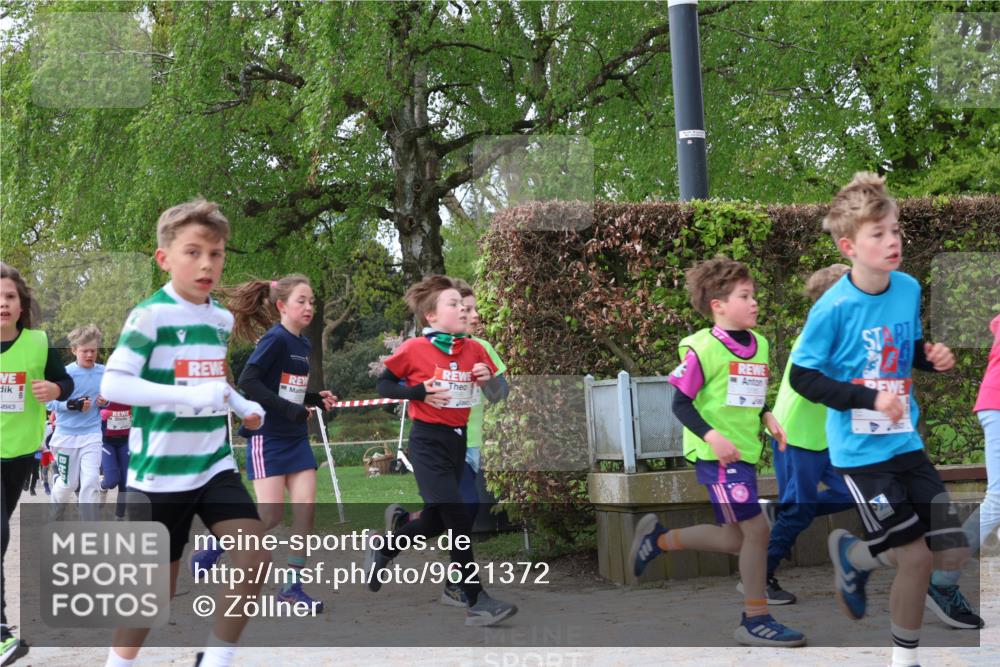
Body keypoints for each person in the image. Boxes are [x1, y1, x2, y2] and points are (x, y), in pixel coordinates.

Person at [790, 172, 975, 667]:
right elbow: (803, 379)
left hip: (905, 444)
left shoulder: (908, 288)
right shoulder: (832, 309)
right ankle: (904, 659)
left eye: (895, 230)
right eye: (880, 234)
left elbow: (904, 347)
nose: (893, 241)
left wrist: (929, 357)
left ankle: (854, 555)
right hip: (860, 455)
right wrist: (869, 399)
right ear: (850, 246)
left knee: (952, 551)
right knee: (914, 557)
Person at [99, 198, 268, 667]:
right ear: (164, 258)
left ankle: (216, 660)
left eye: (215, 254)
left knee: (254, 557)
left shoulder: (221, 319)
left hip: (214, 465)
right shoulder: (149, 315)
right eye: (193, 252)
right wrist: (186, 397)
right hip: (159, 478)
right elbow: (114, 384)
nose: (206, 264)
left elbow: (213, 381)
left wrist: (241, 405)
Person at [629, 256, 806, 647]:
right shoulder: (700, 350)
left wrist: (766, 416)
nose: (755, 302)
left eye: (754, 294)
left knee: (735, 539)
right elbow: (679, 404)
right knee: (757, 531)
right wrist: (712, 437)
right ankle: (755, 618)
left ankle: (658, 541)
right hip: (718, 460)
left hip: (743, 454)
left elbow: (747, 396)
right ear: (718, 305)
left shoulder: (758, 343)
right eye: (745, 296)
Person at [365, 274, 517, 626]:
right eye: (454, 305)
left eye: (464, 306)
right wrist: (418, 392)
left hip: (459, 441)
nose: (464, 310)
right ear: (431, 316)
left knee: (442, 516)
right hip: (427, 441)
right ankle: (476, 600)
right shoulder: (415, 348)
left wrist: (487, 380)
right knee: (458, 515)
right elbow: (383, 383)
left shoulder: (475, 349)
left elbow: (497, 395)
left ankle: (386, 547)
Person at [189, 273, 336, 612]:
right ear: (282, 306)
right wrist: (290, 410)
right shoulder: (276, 339)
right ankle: (214, 547)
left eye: (312, 301)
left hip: (296, 440)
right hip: (267, 438)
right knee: (268, 516)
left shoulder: (302, 343)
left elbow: (287, 388)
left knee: (305, 513)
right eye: (302, 301)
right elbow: (249, 381)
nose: (309, 306)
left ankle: (291, 588)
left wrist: (313, 398)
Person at [748, 264, 855, 605]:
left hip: (824, 438)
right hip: (795, 436)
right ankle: (759, 579)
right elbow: (814, 386)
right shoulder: (816, 335)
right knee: (801, 508)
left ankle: (779, 514)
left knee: (851, 493)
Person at [1, 262, 74, 666]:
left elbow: (66, 382)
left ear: (21, 303)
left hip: (19, 457)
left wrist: (55, 387)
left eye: (9, 296)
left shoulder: (38, 343)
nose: (2, 304)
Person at [47, 324, 105, 521]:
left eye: (93, 351)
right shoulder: (64, 374)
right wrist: (69, 405)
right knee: (68, 484)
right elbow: (47, 401)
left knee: (90, 481)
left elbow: (113, 395)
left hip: (92, 434)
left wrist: (105, 401)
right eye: (84, 351)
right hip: (66, 436)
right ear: (74, 350)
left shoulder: (104, 372)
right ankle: (55, 510)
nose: (89, 355)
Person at [99, 398, 132, 519]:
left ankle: (119, 516)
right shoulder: (104, 388)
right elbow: (90, 407)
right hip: (106, 442)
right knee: (112, 481)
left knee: (125, 482)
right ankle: (102, 486)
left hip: (125, 440)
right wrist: (100, 414)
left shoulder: (131, 392)